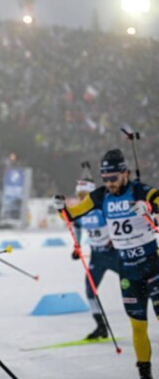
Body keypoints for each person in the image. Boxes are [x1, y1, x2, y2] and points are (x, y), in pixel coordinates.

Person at [56, 149, 159, 379]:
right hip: (128, 272)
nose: (110, 183)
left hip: (153, 266)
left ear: (125, 173)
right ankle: (145, 375)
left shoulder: (139, 190)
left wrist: (150, 207)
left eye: (113, 177)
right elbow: (72, 215)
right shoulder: (100, 196)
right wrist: (61, 207)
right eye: (105, 178)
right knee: (138, 327)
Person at [69, 174, 120, 340]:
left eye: (84, 195)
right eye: (79, 195)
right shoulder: (80, 212)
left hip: (113, 254)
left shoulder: (102, 207)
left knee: (137, 284)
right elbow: (77, 227)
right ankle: (100, 326)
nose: (81, 198)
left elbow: (117, 222)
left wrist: (115, 240)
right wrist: (76, 246)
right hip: (97, 256)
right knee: (90, 290)